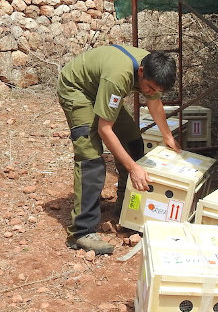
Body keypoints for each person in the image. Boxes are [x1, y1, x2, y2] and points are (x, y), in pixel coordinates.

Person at [57, 44, 182, 255]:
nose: (151, 93)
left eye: (156, 90)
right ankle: (82, 231)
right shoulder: (118, 77)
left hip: (101, 89)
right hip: (77, 89)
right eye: (149, 87)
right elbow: (105, 129)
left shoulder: (153, 69)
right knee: (91, 158)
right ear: (141, 72)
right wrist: (133, 168)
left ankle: (126, 209)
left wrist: (168, 137)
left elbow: (154, 104)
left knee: (133, 142)